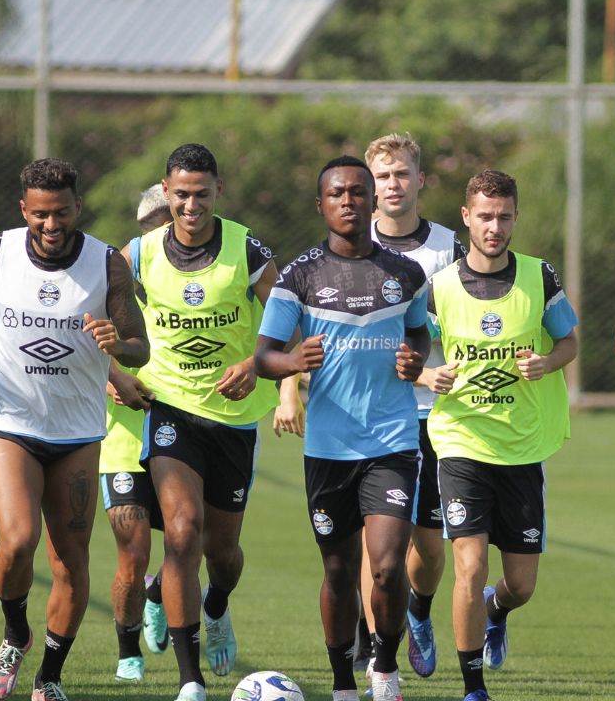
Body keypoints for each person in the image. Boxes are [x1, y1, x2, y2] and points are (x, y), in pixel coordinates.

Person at [0, 157, 149, 701]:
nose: (51, 227)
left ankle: (49, 678)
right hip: (6, 416)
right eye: (40, 216)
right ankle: (15, 633)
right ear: (22, 211)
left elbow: (140, 345)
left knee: (70, 559)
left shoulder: (107, 265)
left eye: (61, 214)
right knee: (16, 540)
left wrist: (117, 346)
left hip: (77, 429)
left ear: (78, 208)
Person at [255, 156, 429, 701]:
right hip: (329, 447)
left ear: (373, 199)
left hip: (392, 442)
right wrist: (293, 362)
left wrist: (412, 358)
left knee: (385, 567)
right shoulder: (299, 276)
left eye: (358, 191)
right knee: (337, 571)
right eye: (337, 193)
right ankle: (341, 683)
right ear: (321, 204)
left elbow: (419, 335)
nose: (348, 201)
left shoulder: (405, 274)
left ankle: (384, 665)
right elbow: (263, 356)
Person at [128, 143, 290, 701]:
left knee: (222, 554)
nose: (191, 205)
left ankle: (216, 604)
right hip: (172, 410)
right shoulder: (139, 254)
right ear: (165, 192)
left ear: (217, 192)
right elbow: (97, 311)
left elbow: (286, 322)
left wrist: (261, 368)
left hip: (236, 419)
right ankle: (189, 678)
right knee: (180, 534)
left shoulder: (248, 249)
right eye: (180, 195)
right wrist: (112, 374)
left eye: (201, 194)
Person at [417, 169, 578, 701]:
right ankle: (472, 688)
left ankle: (496, 610)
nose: (494, 226)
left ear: (515, 218)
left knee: (522, 586)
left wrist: (548, 362)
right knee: (468, 564)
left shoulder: (540, 277)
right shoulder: (439, 288)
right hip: (461, 442)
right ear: (466, 217)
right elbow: (408, 353)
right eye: (484, 216)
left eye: (504, 216)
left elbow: (570, 342)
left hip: (523, 446)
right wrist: (425, 374)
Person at [348, 132, 465, 680]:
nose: (392, 186)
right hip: (368, 414)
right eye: (382, 177)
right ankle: (376, 648)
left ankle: (418, 609)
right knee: (375, 546)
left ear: (420, 180)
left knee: (428, 544)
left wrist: (434, 359)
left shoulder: (448, 248)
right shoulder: (350, 242)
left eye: (401, 175)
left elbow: (467, 317)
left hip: (434, 414)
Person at [99, 184, 171, 684]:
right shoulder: (116, 280)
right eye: (158, 222)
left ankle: (160, 594)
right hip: (123, 436)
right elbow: (83, 336)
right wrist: (111, 377)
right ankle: (129, 653)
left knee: (198, 540)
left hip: (186, 427)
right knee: (134, 551)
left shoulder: (219, 275)